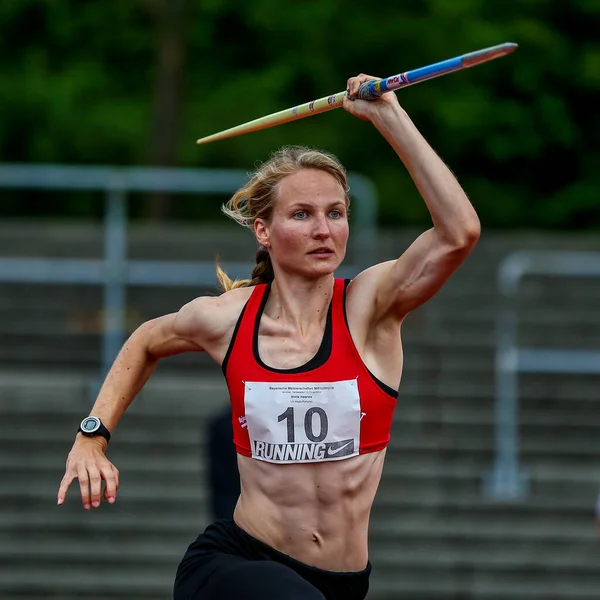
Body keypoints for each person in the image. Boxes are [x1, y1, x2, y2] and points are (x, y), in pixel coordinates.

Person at [57, 73, 481, 600]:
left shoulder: (371, 308)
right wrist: (93, 434)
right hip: (235, 563)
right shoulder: (228, 320)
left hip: (341, 582)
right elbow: (146, 338)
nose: (323, 230)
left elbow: (458, 233)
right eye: (302, 215)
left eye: (336, 213)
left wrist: (388, 116)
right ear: (263, 230)